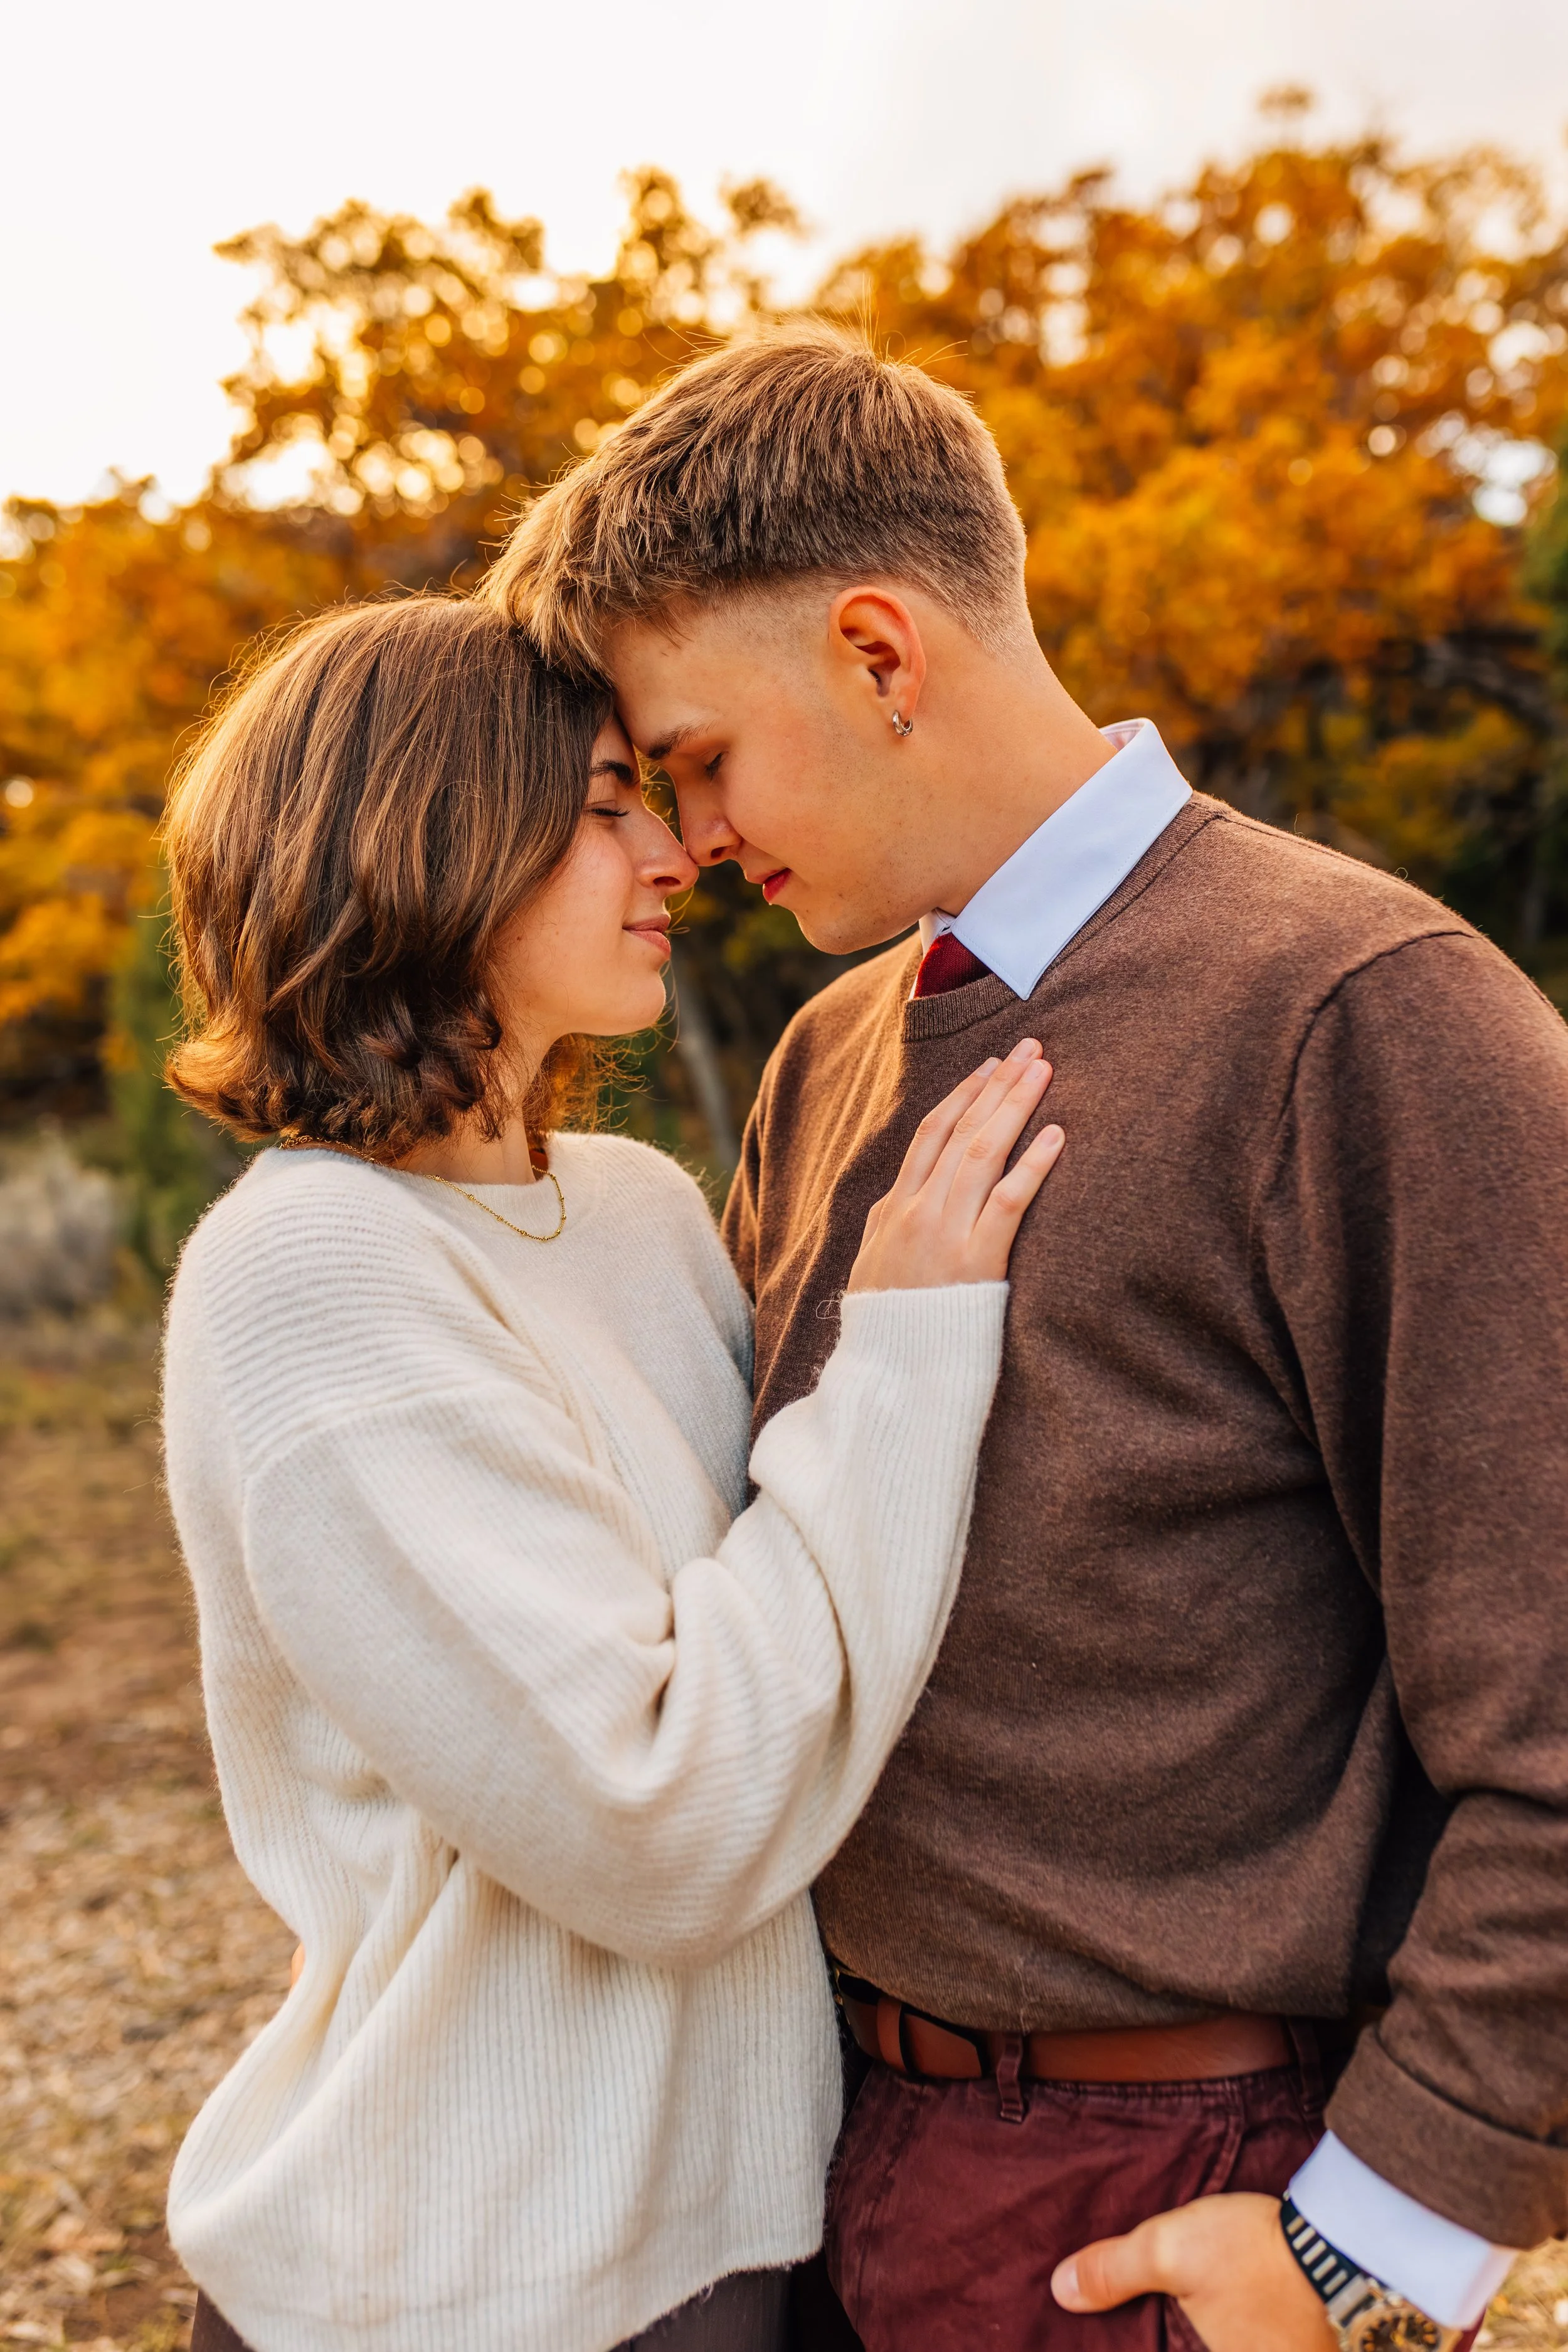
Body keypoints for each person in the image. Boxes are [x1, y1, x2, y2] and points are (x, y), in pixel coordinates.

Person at [485, 326, 1568, 2352]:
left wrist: (1369, 2238)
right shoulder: (824, 1056)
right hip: (817, 2159)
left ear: (882, 653)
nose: (690, 843)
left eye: (699, 759)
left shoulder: (1371, 1014)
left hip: (1161, 2200)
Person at [156, 593, 1068, 2352]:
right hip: (465, 2272)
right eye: (599, 807)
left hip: (744, 2235)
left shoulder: (639, 1211)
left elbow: (821, 1632)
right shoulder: (315, 1270)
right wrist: (903, 1350)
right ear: (430, 837)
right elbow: (658, 1814)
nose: (673, 851)